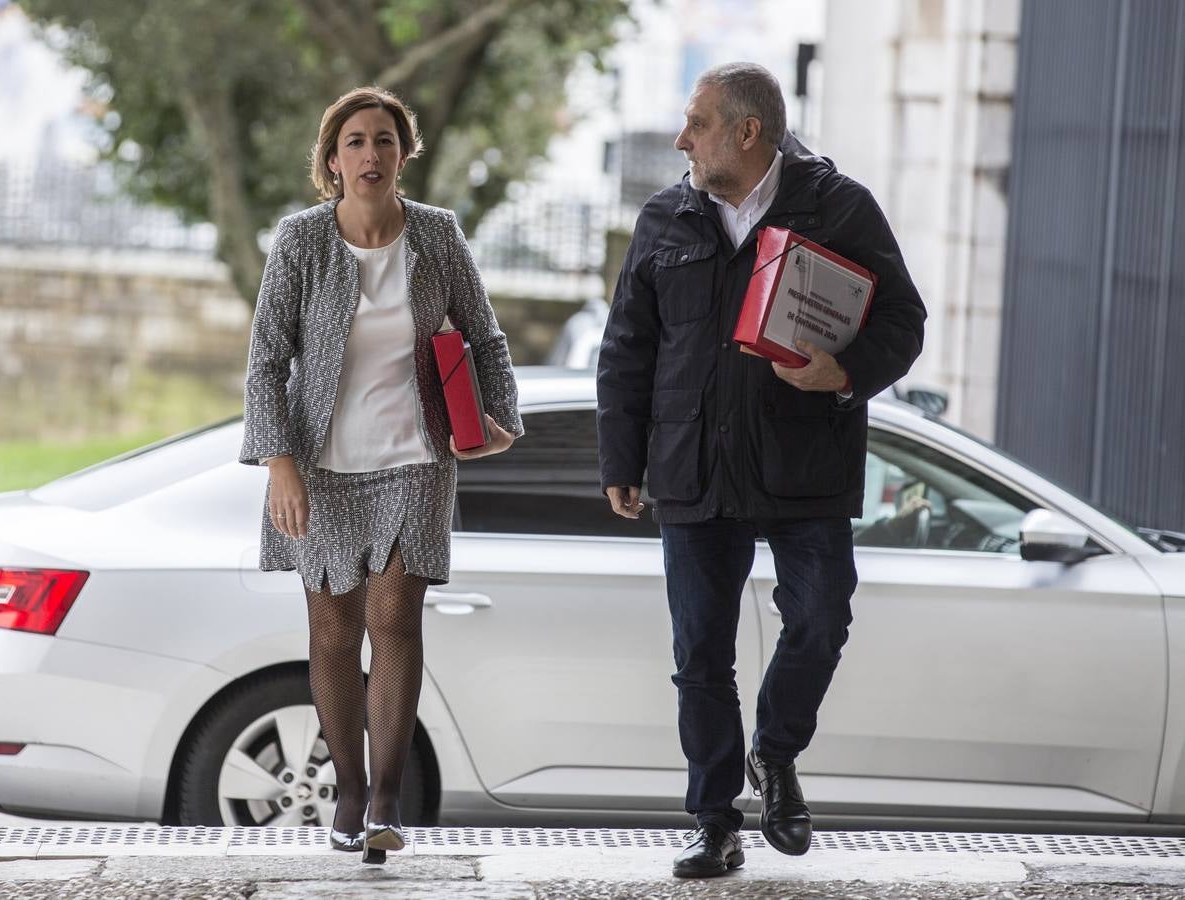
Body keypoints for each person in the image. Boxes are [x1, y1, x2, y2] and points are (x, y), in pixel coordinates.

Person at [596, 62, 926, 879]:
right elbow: (627, 347)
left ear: (747, 132)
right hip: (691, 468)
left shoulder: (836, 207)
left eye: (697, 123)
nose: (682, 139)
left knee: (821, 620)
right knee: (700, 656)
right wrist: (622, 457)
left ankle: (774, 755)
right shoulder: (666, 216)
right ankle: (714, 821)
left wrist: (842, 373)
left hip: (801, 462)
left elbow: (903, 321)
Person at [239, 86, 521, 863]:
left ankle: (388, 800)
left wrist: (497, 420)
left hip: (415, 460)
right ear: (333, 160)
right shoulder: (299, 242)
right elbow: (265, 363)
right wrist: (280, 467)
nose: (371, 154)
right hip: (322, 465)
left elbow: (485, 338)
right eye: (356, 141)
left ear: (404, 154)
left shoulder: (436, 235)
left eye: (384, 141)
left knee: (395, 621)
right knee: (333, 634)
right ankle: (351, 794)